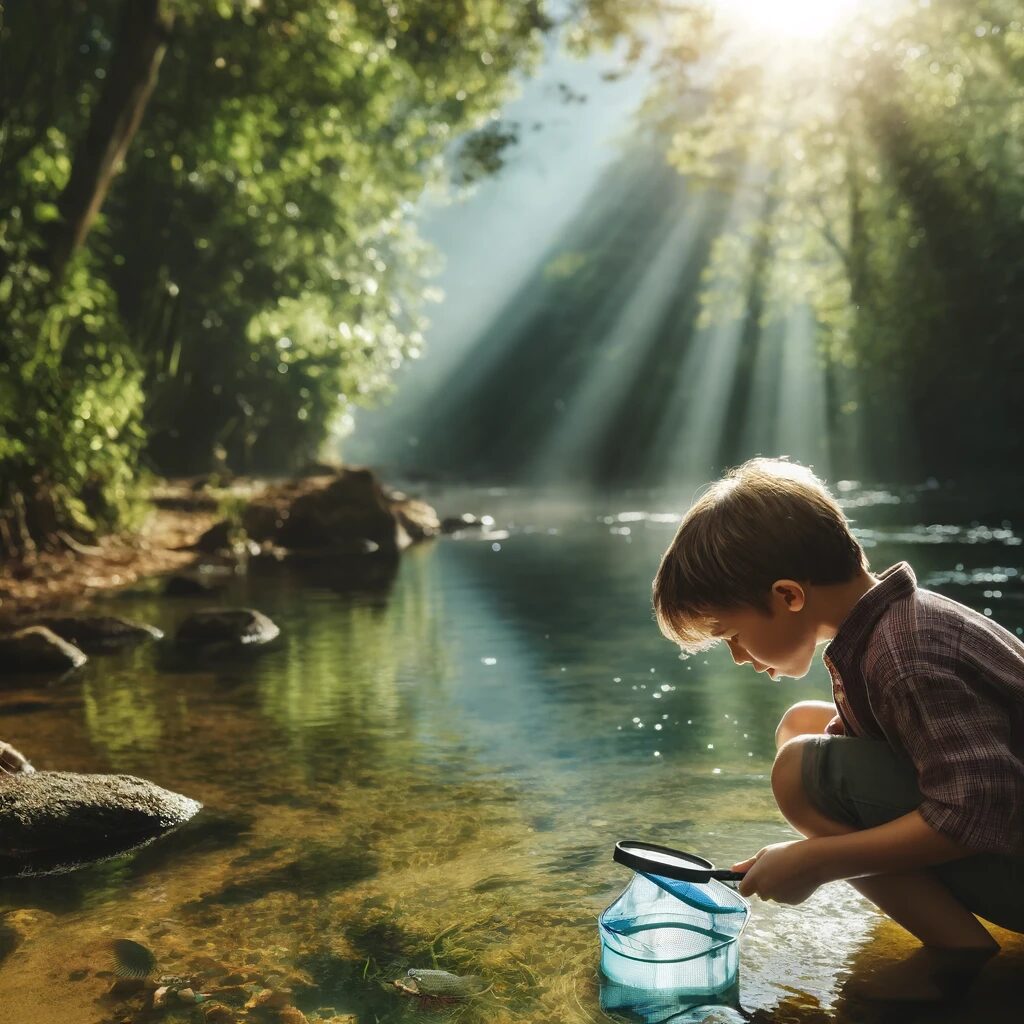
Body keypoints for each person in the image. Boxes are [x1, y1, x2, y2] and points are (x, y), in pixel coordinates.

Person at [651, 457, 1024, 1001]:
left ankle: (961, 955)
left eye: (731, 634)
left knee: (801, 774)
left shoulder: (903, 656)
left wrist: (816, 860)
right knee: (805, 726)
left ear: (788, 596)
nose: (735, 656)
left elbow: (979, 807)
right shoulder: (889, 629)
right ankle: (952, 936)